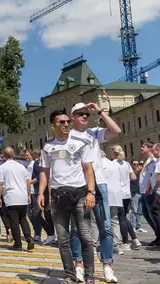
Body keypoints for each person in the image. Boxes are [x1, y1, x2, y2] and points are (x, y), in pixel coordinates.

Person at [38, 109, 97, 284]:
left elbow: (88, 170)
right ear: (53, 125)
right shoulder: (48, 147)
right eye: (61, 122)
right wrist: (41, 193)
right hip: (58, 196)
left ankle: (89, 277)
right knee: (63, 240)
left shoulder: (81, 142)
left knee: (85, 236)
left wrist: (90, 192)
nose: (66, 125)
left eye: (67, 122)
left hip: (79, 194)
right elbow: (44, 173)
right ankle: (70, 276)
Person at [68, 102, 121, 283]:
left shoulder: (94, 133)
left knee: (105, 226)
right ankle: (79, 265)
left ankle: (107, 266)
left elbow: (116, 131)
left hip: (100, 184)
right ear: (72, 116)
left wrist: (100, 111)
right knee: (77, 228)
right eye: (80, 114)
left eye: (86, 114)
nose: (84, 116)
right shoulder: (68, 136)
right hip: (78, 185)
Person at [0, 147, 34, 251]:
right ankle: (29, 238)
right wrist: (28, 195)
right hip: (22, 196)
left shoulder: (2, 168)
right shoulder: (21, 166)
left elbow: (0, 184)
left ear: (4, 156)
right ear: (13, 155)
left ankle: (18, 244)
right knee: (23, 219)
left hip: (11, 197)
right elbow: (27, 182)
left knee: (14, 221)